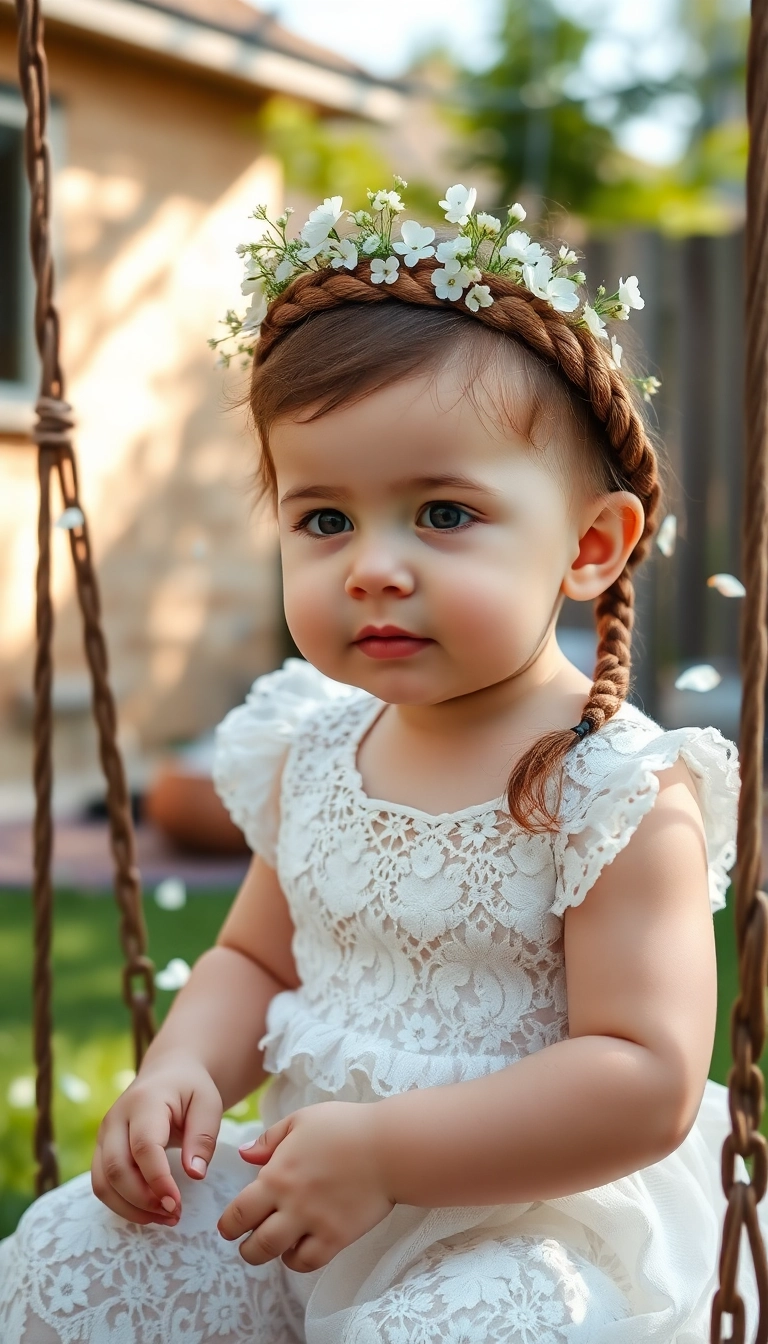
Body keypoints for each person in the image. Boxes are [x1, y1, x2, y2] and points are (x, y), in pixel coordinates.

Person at [0, 183, 760, 1343]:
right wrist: (179, 1070)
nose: (372, 567)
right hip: (301, 1184)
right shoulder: (313, 747)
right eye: (325, 520)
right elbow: (255, 957)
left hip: (521, 1222)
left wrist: (394, 1152)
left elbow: (642, 1076)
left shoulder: (613, 789)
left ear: (590, 547)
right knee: (80, 1252)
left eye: (443, 514)